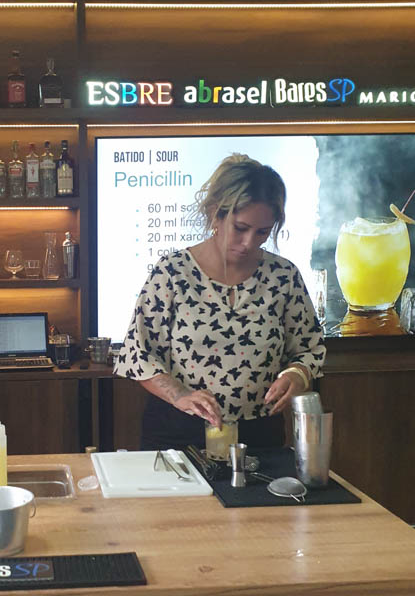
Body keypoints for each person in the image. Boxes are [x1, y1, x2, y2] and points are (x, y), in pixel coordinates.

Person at [113, 154, 326, 451]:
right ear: (215, 214)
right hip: (178, 433)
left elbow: (309, 348)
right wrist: (180, 395)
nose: (250, 242)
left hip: (261, 434)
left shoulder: (283, 276)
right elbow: (138, 354)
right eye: (240, 228)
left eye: (262, 232)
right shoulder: (172, 272)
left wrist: (297, 375)